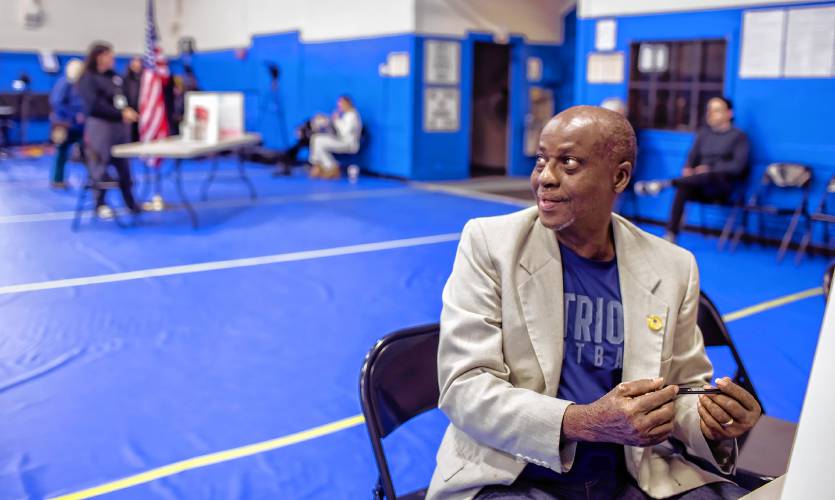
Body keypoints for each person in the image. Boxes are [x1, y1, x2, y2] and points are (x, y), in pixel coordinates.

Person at [428, 106, 761, 500]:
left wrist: (711, 422)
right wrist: (582, 421)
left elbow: (684, 391)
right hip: (514, 473)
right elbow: (464, 388)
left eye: (567, 162)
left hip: (631, 472)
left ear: (618, 176)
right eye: (541, 160)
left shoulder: (672, 266)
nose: (544, 178)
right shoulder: (490, 243)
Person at [634, 97, 749, 243]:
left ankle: (664, 184)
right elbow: (692, 157)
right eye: (709, 110)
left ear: (729, 113)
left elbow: (738, 167)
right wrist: (688, 168)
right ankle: (671, 235)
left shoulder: (739, 137)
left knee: (706, 175)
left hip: (721, 186)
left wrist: (710, 169)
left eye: (717, 110)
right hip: (699, 184)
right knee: (683, 187)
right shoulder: (703, 134)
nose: (711, 114)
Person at [77, 42, 141, 219]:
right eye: (109, 55)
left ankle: (130, 203)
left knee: (124, 167)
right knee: (100, 166)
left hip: (120, 128)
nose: (113, 59)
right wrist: (118, 113)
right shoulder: (88, 78)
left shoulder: (115, 78)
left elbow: (123, 98)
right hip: (101, 128)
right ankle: (100, 203)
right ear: (99, 57)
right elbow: (93, 106)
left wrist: (127, 110)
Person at [48, 58, 86, 189]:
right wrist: (74, 115)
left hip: (80, 126)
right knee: (62, 151)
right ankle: (57, 179)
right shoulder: (64, 83)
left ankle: (95, 177)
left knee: (87, 150)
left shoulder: (81, 84)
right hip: (64, 124)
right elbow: (57, 103)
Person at [308, 95, 362, 180]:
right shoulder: (345, 115)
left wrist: (336, 120)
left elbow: (344, 132)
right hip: (341, 140)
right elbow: (337, 130)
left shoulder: (353, 115)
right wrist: (326, 122)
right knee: (316, 138)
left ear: (347, 103)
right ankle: (319, 165)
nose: (339, 106)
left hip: (349, 143)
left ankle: (331, 167)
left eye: (341, 104)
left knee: (318, 141)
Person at [124, 56, 143, 142]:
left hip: (143, 114)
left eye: (138, 63)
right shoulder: (125, 80)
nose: (136, 65)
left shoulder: (145, 80)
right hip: (129, 114)